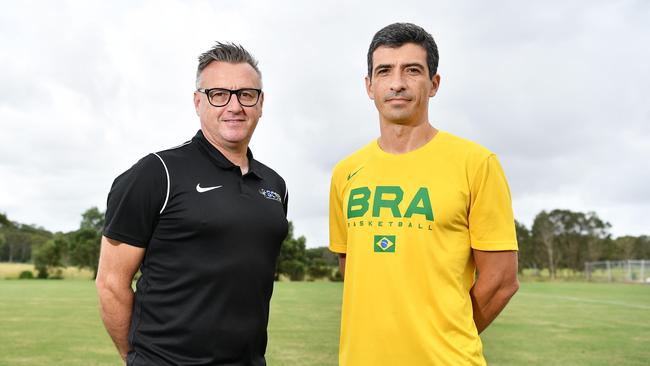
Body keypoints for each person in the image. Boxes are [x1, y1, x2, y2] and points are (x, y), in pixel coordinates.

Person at [329, 23, 519, 365]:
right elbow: (351, 266)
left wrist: (445, 334)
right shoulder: (346, 172)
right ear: (369, 86)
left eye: (412, 70)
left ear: (434, 84)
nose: (397, 82)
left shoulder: (476, 163)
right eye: (384, 71)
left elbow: (501, 280)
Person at [95, 42, 288, 366]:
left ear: (261, 102)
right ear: (198, 102)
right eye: (219, 94)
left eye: (246, 94)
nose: (234, 105)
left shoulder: (274, 185)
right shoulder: (156, 173)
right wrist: (138, 359)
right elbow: (111, 283)